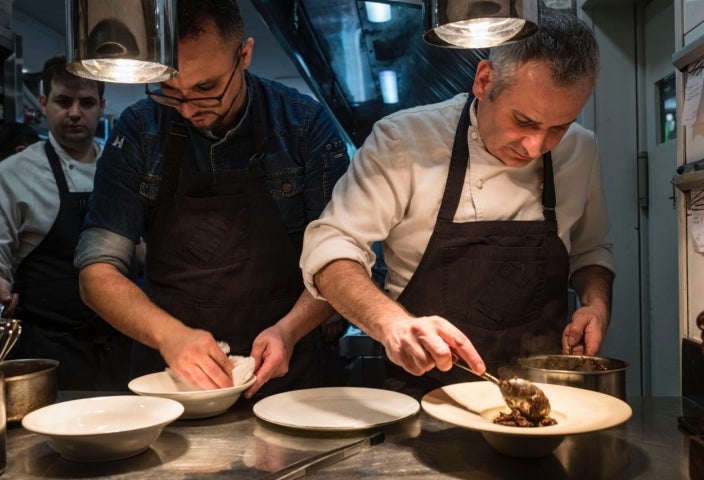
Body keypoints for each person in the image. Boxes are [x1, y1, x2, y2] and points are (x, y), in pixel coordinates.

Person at [300, 11, 615, 391]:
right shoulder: (403, 141)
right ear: (484, 81)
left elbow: (590, 250)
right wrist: (392, 323)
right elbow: (330, 247)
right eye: (524, 121)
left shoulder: (581, 150)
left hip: (545, 395)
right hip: (423, 394)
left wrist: (595, 305)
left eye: (558, 127)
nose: (535, 147)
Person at [74, 0, 349, 398]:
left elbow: (339, 262)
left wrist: (289, 331)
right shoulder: (138, 131)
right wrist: (170, 335)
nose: (187, 110)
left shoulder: (304, 127)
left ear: (245, 54)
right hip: (171, 380)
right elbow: (96, 272)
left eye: (206, 88)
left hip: (284, 377)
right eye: (170, 89)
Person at [0, 55, 132, 389]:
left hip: (119, 345)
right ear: (43, 103)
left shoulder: (121, 166)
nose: (76, 113)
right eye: (64, 102)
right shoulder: (15, 174)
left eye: (87, 102)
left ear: (101, 105)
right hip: (48, 353)